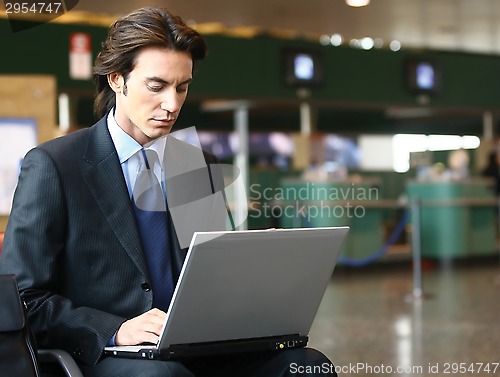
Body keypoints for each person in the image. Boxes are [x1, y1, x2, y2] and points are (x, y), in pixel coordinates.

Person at [0, 7, 338, 377]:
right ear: (116, 79)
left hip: (196, 346)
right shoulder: (54, 166)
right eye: (156, 86)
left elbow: (209, 276)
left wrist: (254, 271)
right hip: (106, 354)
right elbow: (24, 301)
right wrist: (115, 328)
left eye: (183, 87)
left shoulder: (196, 165)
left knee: (307, 366)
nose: (172, 104)